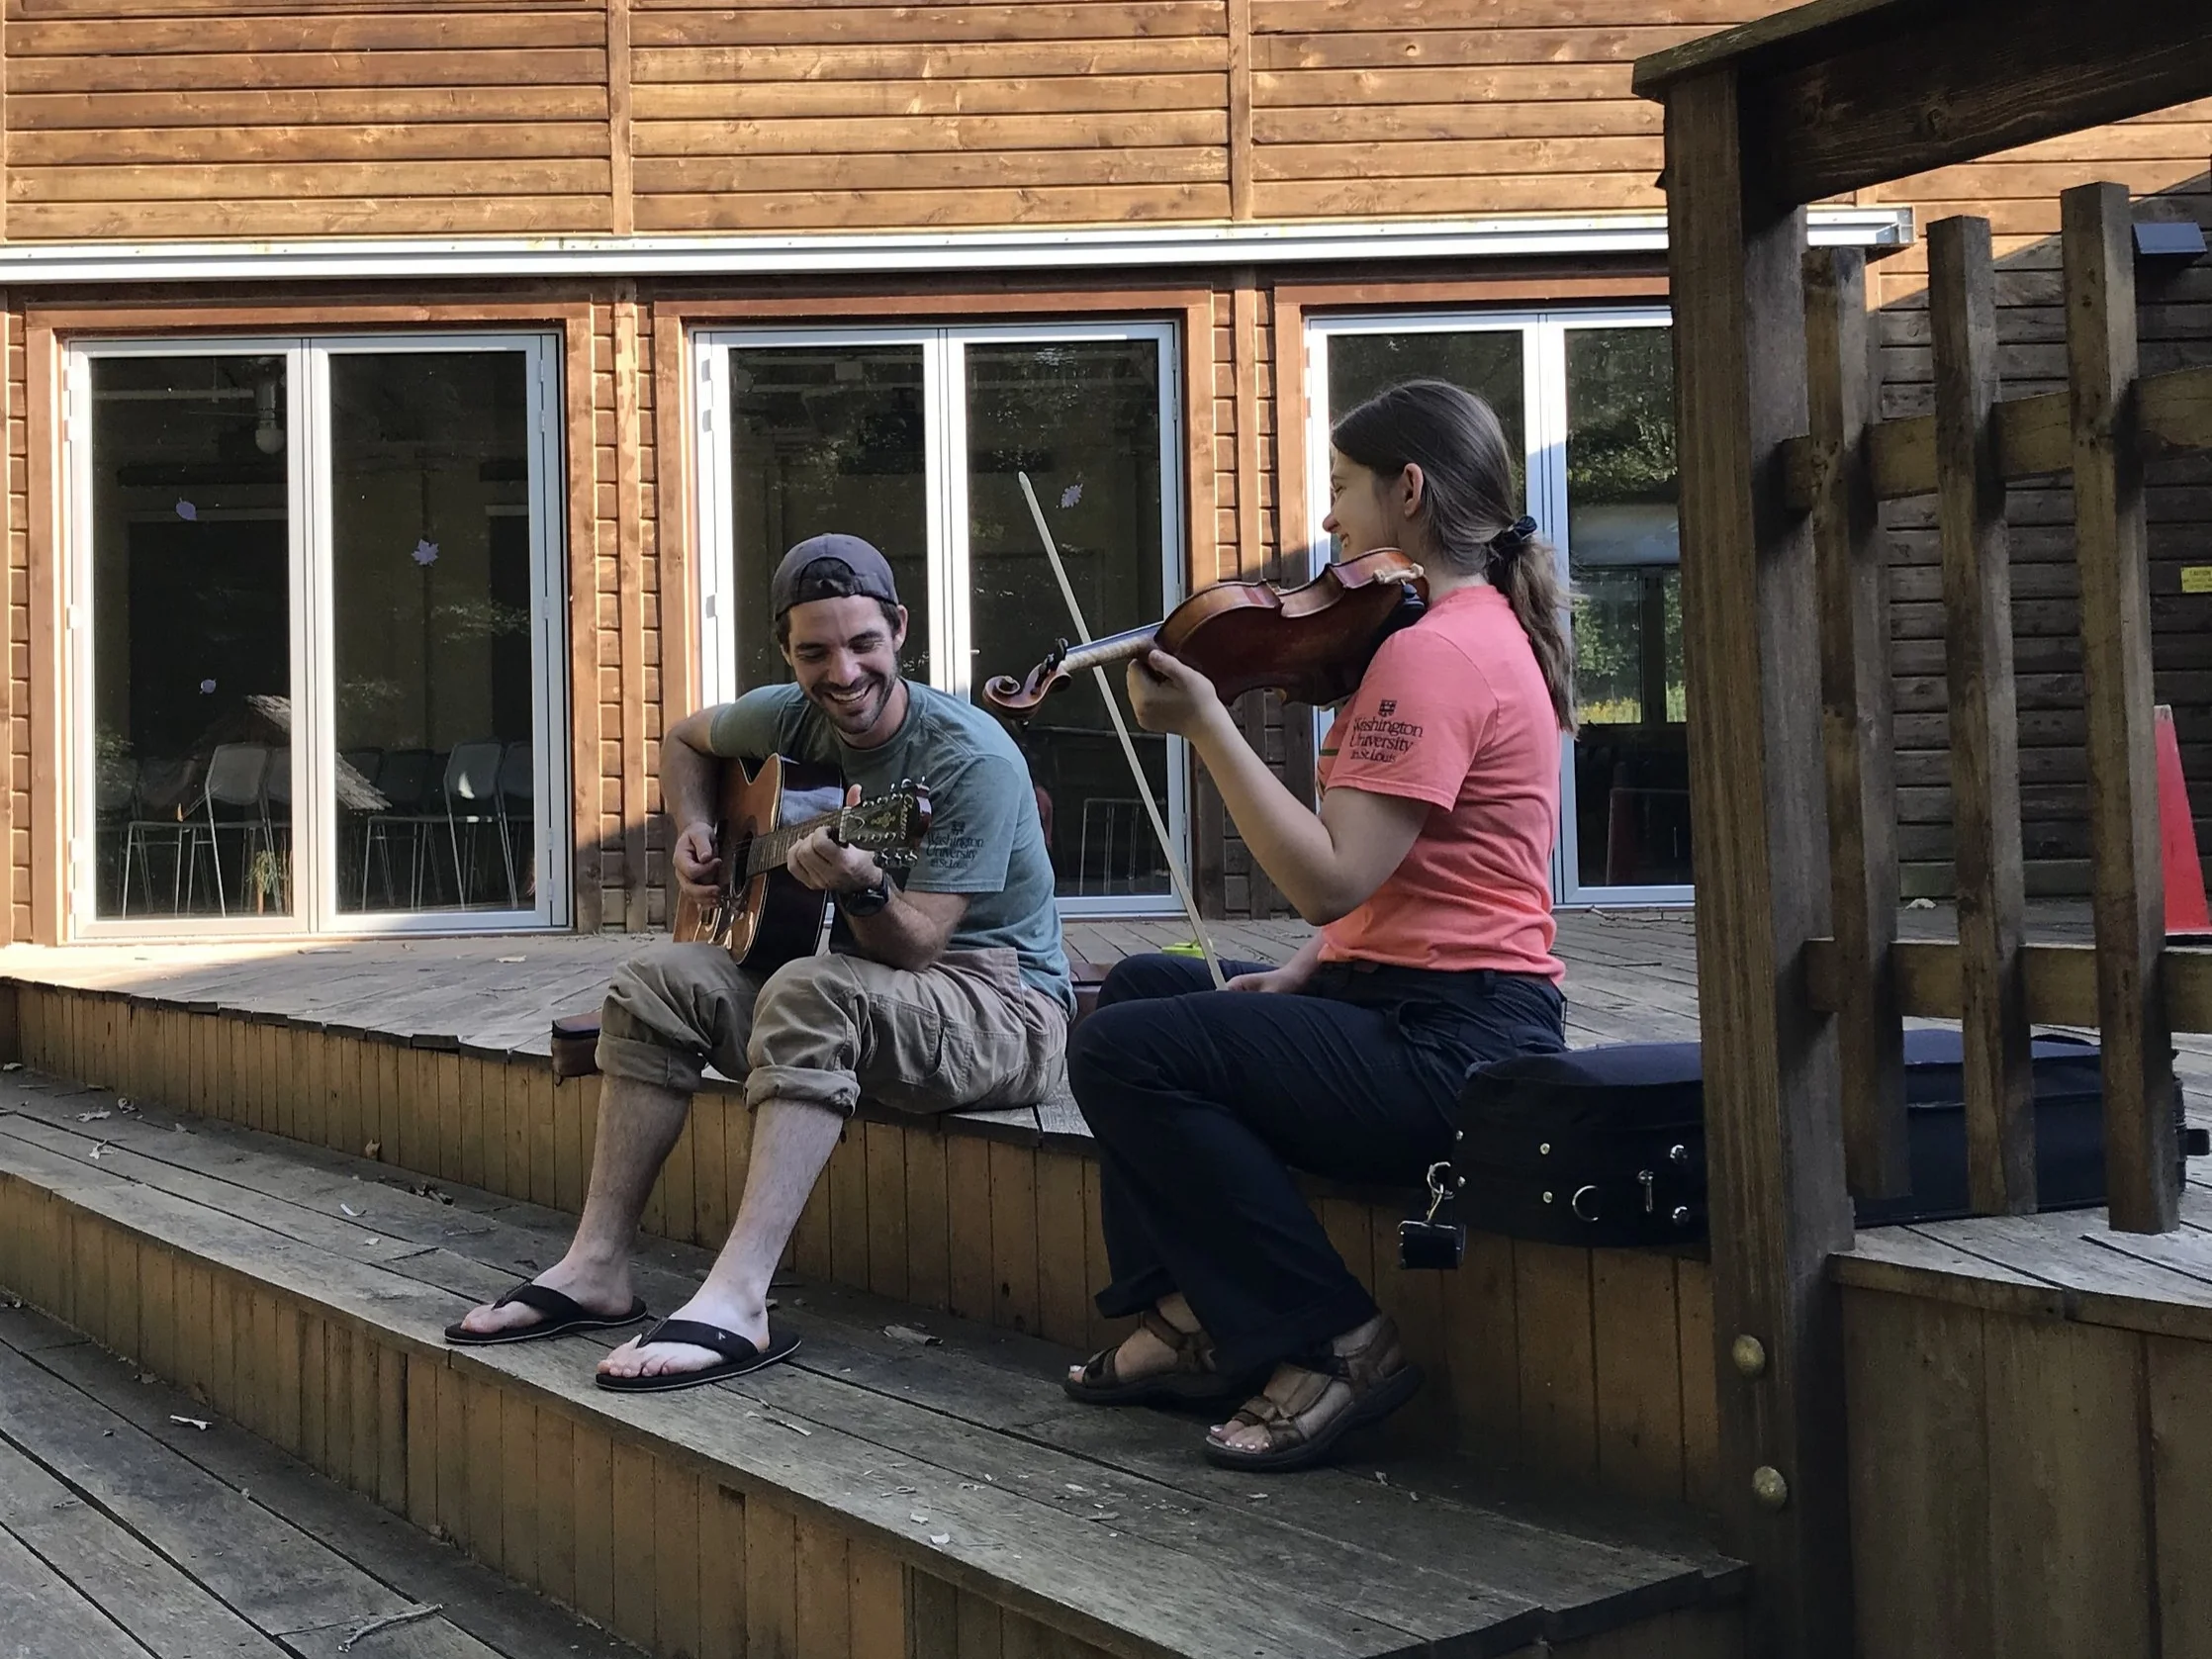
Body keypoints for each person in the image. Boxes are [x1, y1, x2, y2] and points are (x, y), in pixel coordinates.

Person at [1061, 379, 1576, 1472]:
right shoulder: (1459, 628)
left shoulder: (1434, 654)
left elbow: (1332, 879)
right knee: (1149, 988)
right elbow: (1418, 882)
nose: (1330, 519)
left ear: (1410, 489)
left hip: (1455, 1048)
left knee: (1124, 1049)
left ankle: (1338, 1339)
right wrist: (1311, 968)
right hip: (1405, 998)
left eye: (1341, 488)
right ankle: (1194, 1315)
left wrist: (1207, 726)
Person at [447, 534, 1072, 1391]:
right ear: (787, 650)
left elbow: (922, 942)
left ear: (899, 629)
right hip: (874, 991)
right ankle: (596, 1269)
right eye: (814, 652)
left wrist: (858, 887)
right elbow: (682, 739)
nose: (843, 674)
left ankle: (739, 1298)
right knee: (653, 983)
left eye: (863, 645)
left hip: (1001, 1007)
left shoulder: (971, 760)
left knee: (810, 989)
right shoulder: (789, 715)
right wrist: (696, 829)